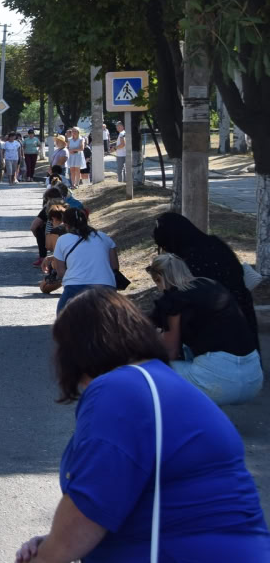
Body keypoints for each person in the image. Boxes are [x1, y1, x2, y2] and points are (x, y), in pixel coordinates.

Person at [14, 287, 270, 563]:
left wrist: (52, 552)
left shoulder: (119, 389)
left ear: (77, 351)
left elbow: (86, 513)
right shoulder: (160, 382)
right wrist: (52, 542)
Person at [147, 254, 263, 405]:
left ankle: (178, 424)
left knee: (150, 371)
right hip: (253, 377)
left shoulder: (174, 300)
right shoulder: (212, 285)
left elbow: (171, 352)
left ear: (160, 279)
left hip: (220, 382)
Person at [152, 211, 259, 351]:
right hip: (242, 309)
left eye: (164, 247)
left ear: (171, 240)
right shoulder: (215, 243)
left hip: (219, 327)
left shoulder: (188, 261)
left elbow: (179, 300)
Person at [50, 206, 117, 313]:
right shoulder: (105, 237)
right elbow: (114, 267)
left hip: (75, 287)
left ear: (66, 225)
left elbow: (61, 272)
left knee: (63, 321)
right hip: (106, 286)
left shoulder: (62, 240)